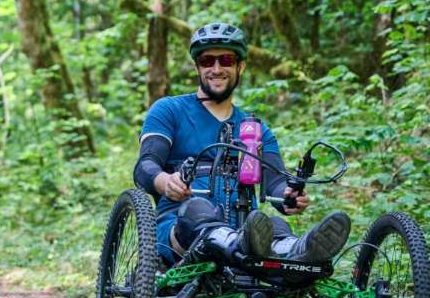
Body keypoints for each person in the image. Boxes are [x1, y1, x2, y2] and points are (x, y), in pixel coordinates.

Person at [133, 22, 350, 267]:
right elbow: (145, 166)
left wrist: (289, 196)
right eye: (207, 61)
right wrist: (165, 182)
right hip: (180, 228)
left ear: (241, 66)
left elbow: (275, 183)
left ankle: (300, 249)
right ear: (197, 67)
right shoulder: (169, 110)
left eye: (226, 59)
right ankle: (242, 243)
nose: (216, 68)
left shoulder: (256, 129)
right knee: (197, 211)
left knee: (276, 225)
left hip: (248, 227)